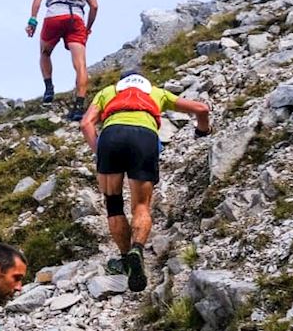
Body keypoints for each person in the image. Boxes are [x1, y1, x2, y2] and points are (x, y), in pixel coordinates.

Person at [79, 67, 211, 292]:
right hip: (144, 137)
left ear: (122, 82)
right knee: (141, 205)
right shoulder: (155, 92)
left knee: (113, 205)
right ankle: (137, 250)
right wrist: (202, 130)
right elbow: (201, 108)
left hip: (112, 136)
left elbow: (85, 124)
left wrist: (98, 151)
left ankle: (124, 259)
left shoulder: (108, 91)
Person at [26, 0, 99, 120]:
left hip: (54, 16)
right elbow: (94, 5)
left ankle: (49, 88)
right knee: (80, 65)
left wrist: (33, 19)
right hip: (77, 19)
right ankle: (79, 107)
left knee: (45, 53)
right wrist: (88, 28)